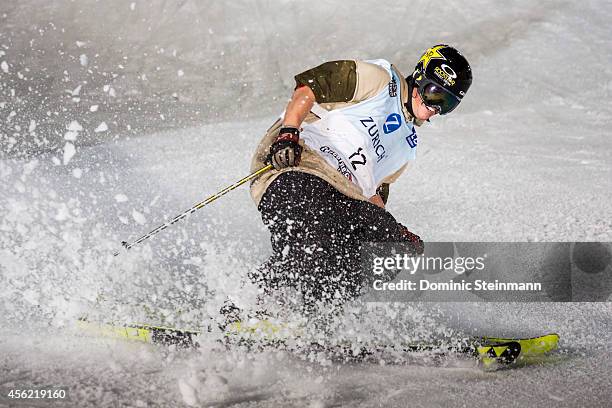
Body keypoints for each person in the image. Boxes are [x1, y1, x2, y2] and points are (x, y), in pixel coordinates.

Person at [248, 44, 472, 312]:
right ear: (419, 78)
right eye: (435, 94)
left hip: (342, 193)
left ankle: (316, 314)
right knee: (318, 239)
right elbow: (310, 86)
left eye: (447, 104)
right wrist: (288, 133)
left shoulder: (406, 146)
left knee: (386, 249)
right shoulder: (379, 80)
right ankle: (250, 305)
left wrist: (396, 232)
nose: (436, 107)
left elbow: (372, 194)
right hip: (298, 165)